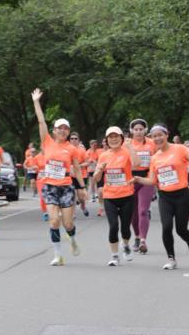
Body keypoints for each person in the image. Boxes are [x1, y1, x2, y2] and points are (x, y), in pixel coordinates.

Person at [133, 124, 189, 270]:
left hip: (182, 196)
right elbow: (153, 181)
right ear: (152, 139)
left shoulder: (179, 149)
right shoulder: (155, 158)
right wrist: (137, 179)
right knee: (166, 227)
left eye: (160, 135)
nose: (158, 138)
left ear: (167, 135)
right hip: (165, 196)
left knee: (181, 229)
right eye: (154, 136)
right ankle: (171, 259)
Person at [31, 88, 86, 266]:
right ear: (54, 131)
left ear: (68, 132)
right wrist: (36, 102)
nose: (62, 131)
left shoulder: (72, 149)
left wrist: (82, 188)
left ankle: (73, 239)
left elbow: (77, 169)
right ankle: (57, 255)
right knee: (54, 220)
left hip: (66, 187)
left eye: (65, 128)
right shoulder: (46, 142)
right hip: (49, 186)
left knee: (67, 223)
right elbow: (41, 121)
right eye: (59, 128)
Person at [93, 126, 135, 266]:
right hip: (109, 196)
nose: (114, 139)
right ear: (107, 140)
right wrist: (99, 169)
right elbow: (97, 178)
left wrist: (131, 148)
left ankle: (126, 245)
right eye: (110, 137)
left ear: (121, 138)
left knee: (125, 228)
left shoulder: (127, 151)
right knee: (113, 226)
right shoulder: (104, 155)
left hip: (127, 195)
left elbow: (138, 164)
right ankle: (115, 256)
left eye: (116, 136)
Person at [128, 118, 156, 254]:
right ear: (131, 131)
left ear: (145, 130)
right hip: (131, 179)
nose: (138, 132)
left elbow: (158, 159)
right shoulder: (126, 144)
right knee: (133, 212)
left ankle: (143, 240)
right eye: (136, 129)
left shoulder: (152, 144)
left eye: (141, 129)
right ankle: (137, 237)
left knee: (143, 210)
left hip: (146, 178)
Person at [68, 131, 90, 217]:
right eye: (71, 138)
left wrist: (79, 166)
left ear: (78, 140)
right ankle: (73, 213)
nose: (73, 140)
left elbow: (87, 163)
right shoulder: (67, 150)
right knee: (72, 195)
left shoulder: (82, 150)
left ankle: (83, 206)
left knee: (81, 196)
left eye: (75, 139)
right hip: (70, 176)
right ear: (69, 140)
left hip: (81, 175)